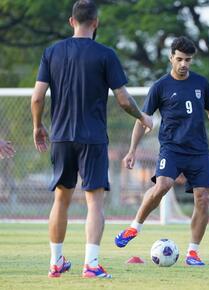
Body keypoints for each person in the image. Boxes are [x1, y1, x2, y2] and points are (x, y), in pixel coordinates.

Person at [31, 0, 152, 279]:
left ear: (71, 21)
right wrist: (142, 117)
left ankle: (56, 263)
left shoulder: (52, 52)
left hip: (61, 136)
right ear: (95, 22)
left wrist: (38, 126)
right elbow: (123, 99)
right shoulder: (105, 54)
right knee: (94, 202)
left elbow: (37, 97)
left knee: (60, 200)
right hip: (93, 138)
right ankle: (91, 265)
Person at [114, 36, 209, 266]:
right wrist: (132, 151)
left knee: (203, 198)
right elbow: (142, 120)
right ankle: (133, 228)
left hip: (199, 150)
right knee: (163, 185)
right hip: (171, 147)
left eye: (188, 59)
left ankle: (193, 253)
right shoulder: (160, 87)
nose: (184, 64)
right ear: (171, 58)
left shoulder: (201, 83)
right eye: (179, 59)